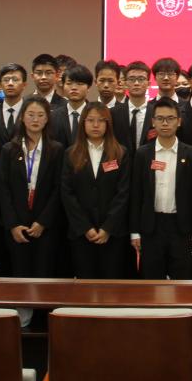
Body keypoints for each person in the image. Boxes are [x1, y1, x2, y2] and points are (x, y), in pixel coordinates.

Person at [129, 97, 192, 280]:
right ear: (153, 122)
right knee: (150, 280)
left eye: (170, 118)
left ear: (179, 121)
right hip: (151, 227)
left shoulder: (191, 153)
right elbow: (136, 195)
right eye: (160, 118)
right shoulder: (143, 154)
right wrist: (135, 231)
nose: (165, 123)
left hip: (181, 227)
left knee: (183, 279)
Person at [0, 96, 64, 286]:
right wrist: (13, 224)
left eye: (41, 115)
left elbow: (58, 188)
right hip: (17, 223)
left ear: (47, 119)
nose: (35, 119)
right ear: (22, 117)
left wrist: (43, 222)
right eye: (31, 114)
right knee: (19, 277)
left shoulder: (56, 149)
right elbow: (3, 188)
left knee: (44, 277)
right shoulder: (9, 149)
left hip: (45, 225)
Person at [60, 102, 131, 278]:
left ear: (108, 124)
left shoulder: (120, 153)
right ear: (83, 123)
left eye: (101, 120)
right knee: (85, 282)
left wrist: (107, 228)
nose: (96, 125)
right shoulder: (71, 153)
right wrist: (86, 228)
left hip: (113, 232)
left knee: (111, 282)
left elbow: (123, 193)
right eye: (90, 120)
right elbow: (67, 193)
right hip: (81, 232)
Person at [113, 61, 154, 151]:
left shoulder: (156, 112)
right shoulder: (113, 113)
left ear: (148, 84)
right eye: (131, 79)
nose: (136, 83)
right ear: (125, 84)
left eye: (141, 79)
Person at [50, 64, 93, 147]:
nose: (74, 88)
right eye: (69, 83)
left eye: (79, 83)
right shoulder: (53, 116)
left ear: (88, 87)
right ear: (63, 85)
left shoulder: (95, 115)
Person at [0, 63, 29, 144]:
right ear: (0, 85)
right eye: (6, 80)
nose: (10, 83)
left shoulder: (31, 113)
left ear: (24, 85)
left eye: (15, 79)